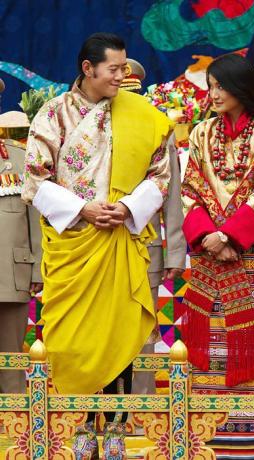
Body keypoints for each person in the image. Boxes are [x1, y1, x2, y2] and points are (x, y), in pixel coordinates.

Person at [21, 33, 173, 459]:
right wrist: (83, 210)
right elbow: (35, 178)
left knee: (118, 333)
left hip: (120, 238)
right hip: (73, 243)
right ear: (87, 69)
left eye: (125, 67)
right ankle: (86, 419)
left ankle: (118, 425)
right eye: (114, 69)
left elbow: (160, 175)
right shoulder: (54, 115)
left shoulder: (142, 115)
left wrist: (126, 208)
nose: (122, 75)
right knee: (76, 337)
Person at [181, 54, 254, 459]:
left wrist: (230, 235)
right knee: (210, 332)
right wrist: (208, 235)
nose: (214, 93)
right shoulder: (200, 133)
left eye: (221, 85)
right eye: (210, 86)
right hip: (208, 249)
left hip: (250, 248)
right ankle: (204, 433)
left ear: (241, 87)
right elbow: (191, 190)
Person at [121, 58, 186, 398]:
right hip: (96, 245)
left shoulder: (158, 128)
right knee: (103, 326)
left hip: (144, 245)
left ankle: (139, 409)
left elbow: (171, 195)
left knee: (145, 329)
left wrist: (175, 249)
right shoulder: (89, 127)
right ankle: (100, 409)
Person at [0, 109, 42, 394]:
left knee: (11, 356)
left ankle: (12, 425)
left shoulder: (19, 158)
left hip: (10, 272)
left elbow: (36, 220)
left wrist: (38, 268)